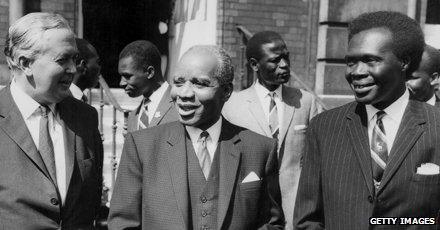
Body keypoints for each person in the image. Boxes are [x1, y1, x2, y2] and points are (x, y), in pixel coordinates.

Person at [108, 45, 284, 229]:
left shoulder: (260, 149)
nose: (184, 94)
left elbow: (271, 224)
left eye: (199, 83)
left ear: (226, 91)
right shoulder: (141, 146)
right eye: (178, 82)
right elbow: (122, 224)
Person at [293, 11, 439, 229]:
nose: (357, 72)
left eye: (370, 60)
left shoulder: (436, 125)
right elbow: (308, 219)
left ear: (404, 62)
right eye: (351, 62)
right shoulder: (324, 127)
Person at [0, 13, 103, 229]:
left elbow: (91, 199)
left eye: (74, 58)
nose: (73, 69)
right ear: (25, 63)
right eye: (62, 60)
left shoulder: (86, 118)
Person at [222, 31, 320, 229]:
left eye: (286, 57)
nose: (284, 65)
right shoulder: (232, 107)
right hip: (254, 212)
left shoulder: (306, 102)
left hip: (298, 211)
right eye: (275, 60)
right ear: (254, 64)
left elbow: (318, 159)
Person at [119, 40, 178, 132]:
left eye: (127, 76)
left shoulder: (180, 105)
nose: (121, 83)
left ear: (150, 72)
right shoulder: (133, 117)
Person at [69, 38, 101, 102]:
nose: (99, 67)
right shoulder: (63, 101)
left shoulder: (79, 98)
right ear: (83, 65)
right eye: (97, 62)